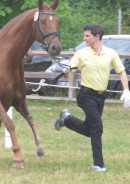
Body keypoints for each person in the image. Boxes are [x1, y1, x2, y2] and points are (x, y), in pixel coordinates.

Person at [55, 24, 130, 172]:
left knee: (90, 130)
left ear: (97, 37)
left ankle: (67, 119)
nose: (84, 38)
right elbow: (71, 69)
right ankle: (98, 165)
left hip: (100, 97)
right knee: (97, 128)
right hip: (85, 96)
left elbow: (121, 72)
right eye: (85, 35)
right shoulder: (81, 53)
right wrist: (66, 71)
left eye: (87, 36)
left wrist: (126, 90)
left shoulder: (111, 53)